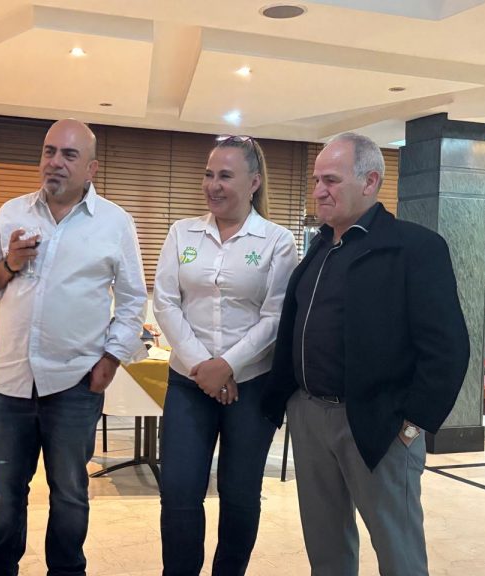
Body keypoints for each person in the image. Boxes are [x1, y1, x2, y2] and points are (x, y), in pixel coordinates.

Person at [261, 132, 470, 576]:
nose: (319, 191)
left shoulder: (414, 247)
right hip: (310, 417)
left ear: (370, 181)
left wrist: (412, 424)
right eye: (316, 180)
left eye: (331, 180)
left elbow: (447, 348)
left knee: (398, 553)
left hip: (379, 423)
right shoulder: (320, 248)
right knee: (326, 550)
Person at [0, 118, 148, 576]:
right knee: (4, 492)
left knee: (69, 493)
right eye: (49, 151)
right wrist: (9, 264)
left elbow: (133, 300)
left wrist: (112, 358)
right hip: (9, 383)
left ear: (91, 168)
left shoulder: (115, 223)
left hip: (74, 383)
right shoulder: (12, 213)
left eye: (69, 154)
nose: (55, 162)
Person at [153, 135, 298, 575]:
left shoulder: (277, 240)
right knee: (179, 492)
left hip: (251, 386)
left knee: (239, 495)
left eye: (225, 176)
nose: (213, 185)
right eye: (208, 174)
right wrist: (204, 367)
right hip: (188, 382)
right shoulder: (182, 232)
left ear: (254, 182)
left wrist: (228, 365)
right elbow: (165, 302)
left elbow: (276, 316)